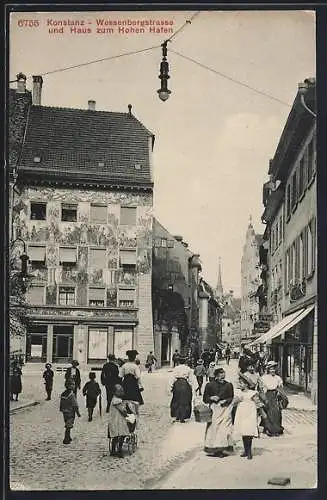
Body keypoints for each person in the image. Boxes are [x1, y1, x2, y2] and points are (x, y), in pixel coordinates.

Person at [203, 367, 234, 457]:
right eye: (220, 376)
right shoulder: (210, 385)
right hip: (214, 409)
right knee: (214, 428)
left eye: (223, 376)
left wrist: (225, 401)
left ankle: (222, 449)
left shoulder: (228, 385)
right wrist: (211, 398)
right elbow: (205, 399)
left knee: (223, 428)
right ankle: (214, 448)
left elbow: (231, 397)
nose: (222, 378)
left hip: (225, 409)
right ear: (216, 376)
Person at [232, 375, 259, 460]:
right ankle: (245, 450)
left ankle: (249, 451)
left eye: (241, 383)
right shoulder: (238, 393)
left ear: (246, 384)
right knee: (243, 431)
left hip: (250, 413)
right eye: (239, 383)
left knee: (249, 431)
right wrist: (236, 400)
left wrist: (262, 413)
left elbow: (258, 403)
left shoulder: (252, 393)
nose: (240, 385)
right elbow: (234, 402)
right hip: (241, 412)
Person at [108, 384, 137, 457]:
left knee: (116, 436)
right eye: (120, 391)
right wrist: (127, 414)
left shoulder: (114, 399)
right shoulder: (117, 401)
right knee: (122, 434)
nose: (122, 392)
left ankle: (113, 450)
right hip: (117, 421)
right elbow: (122, 410)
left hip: (115, 419)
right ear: (115, 392)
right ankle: (119, 450)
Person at [259, 361, 285, 436]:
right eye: (271, 369)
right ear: (268, 369)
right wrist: (263, 397)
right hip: (267, 395)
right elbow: (262, 388)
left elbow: (280, 387)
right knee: (268, 412)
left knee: (276, 412)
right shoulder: (264, 377)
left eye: (274, 369)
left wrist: (279, 393)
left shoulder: (278, 378)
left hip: (275, 395)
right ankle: (268, 429)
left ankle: (276, 429)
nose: (273, 370)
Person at [170, 356, 194, 423]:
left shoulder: (176, 368)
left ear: (178, 362)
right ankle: (182, 417)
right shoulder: (188, 369)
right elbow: (191, 379)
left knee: (176, 400)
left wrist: (171, 386)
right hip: (185, 384)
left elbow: (173, 378)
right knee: (185, 400)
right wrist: (191, 387)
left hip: (177, 384)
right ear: (185, 362)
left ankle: (177, 416)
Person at [60, 379, 81, 444]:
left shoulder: (63, 394)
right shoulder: (72, 395)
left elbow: (61, 403)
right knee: (69, 425)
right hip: (71, 412)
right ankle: (66, 438)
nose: (74, 386)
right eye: (73, 384)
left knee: (67, 423)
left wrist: (62, 409)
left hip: (65, 412)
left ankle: (68, 437)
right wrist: (78, 413)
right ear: (69, 386)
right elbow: (75, 405)